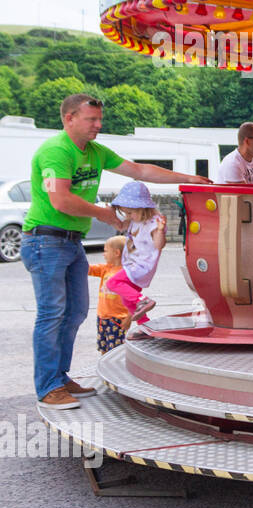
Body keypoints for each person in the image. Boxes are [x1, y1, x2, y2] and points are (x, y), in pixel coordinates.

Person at [21, 93, 210, 410]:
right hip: (45, 241)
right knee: (52, 315)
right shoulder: (55, 151)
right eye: (91, 119)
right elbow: (60, 201)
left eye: (99, 119)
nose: (98, 125)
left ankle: (60, 377)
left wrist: (189, 178)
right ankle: (48, 386)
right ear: (69, 118)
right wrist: (104, 214)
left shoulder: (95, 152)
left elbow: (140, 171)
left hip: (70, 241)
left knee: (76, 312)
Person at [109, 181, 167, 324]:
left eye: (130, 212)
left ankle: (143, 300)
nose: (128, 216)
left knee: (113, 283)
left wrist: (160, 230)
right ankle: (144, 326)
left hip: (141, 266)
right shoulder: (134, 220)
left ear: (143, 208)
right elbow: (120, 226)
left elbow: (159, 245)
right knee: (128, 300)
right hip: (132, 264)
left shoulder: (154, 222)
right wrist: (110, 215)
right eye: (125, 213)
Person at [88, 236, 131, 355]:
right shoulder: (105, 269)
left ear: (117, 253)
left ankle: (115, 371)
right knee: (103, 348)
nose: (103, 254)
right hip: (102, 317)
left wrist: (129, 318)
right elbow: (87, 269)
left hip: (117, 319)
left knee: (115, 351)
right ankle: (104, 368)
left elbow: (134, 300)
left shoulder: (128, 273)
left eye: (106, 251)